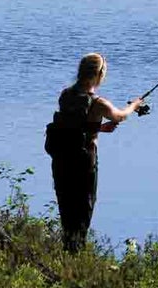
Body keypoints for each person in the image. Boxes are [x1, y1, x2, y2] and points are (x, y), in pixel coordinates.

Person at [46, 52, 143, 253]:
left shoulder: (65, 95)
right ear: (99, 74)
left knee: (66, 208)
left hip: (61, 160)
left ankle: (68, 251)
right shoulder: (98, 103)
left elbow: (73, 125)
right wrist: (134, 105)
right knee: (83, 208)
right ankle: (76, 256)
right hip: (83, 162)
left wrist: (97, 128)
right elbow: (119, 116)